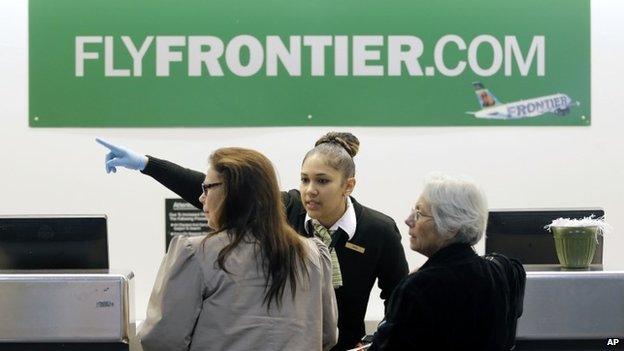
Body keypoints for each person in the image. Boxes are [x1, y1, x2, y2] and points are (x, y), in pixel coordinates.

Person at [96, 132, 408, 351]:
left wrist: (377, 341)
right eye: (304, 179)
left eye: (322, 181)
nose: (310, 189)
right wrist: (147, 164)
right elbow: (217, 190)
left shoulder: (377, 230)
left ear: (348, 185)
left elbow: (398, 297)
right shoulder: (287, 208)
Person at [137, 147, 338, 351]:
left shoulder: (196, 253)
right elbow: (327, 335)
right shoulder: (313, 254)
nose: (201, 198)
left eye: (206, 188)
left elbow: (162, 340)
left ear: (232, 192)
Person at [368, 174, 526, 351]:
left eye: (419, 214)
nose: (408, 220)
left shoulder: (419, 287)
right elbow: (512, 266)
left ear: (451, 228)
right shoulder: (502, 271)